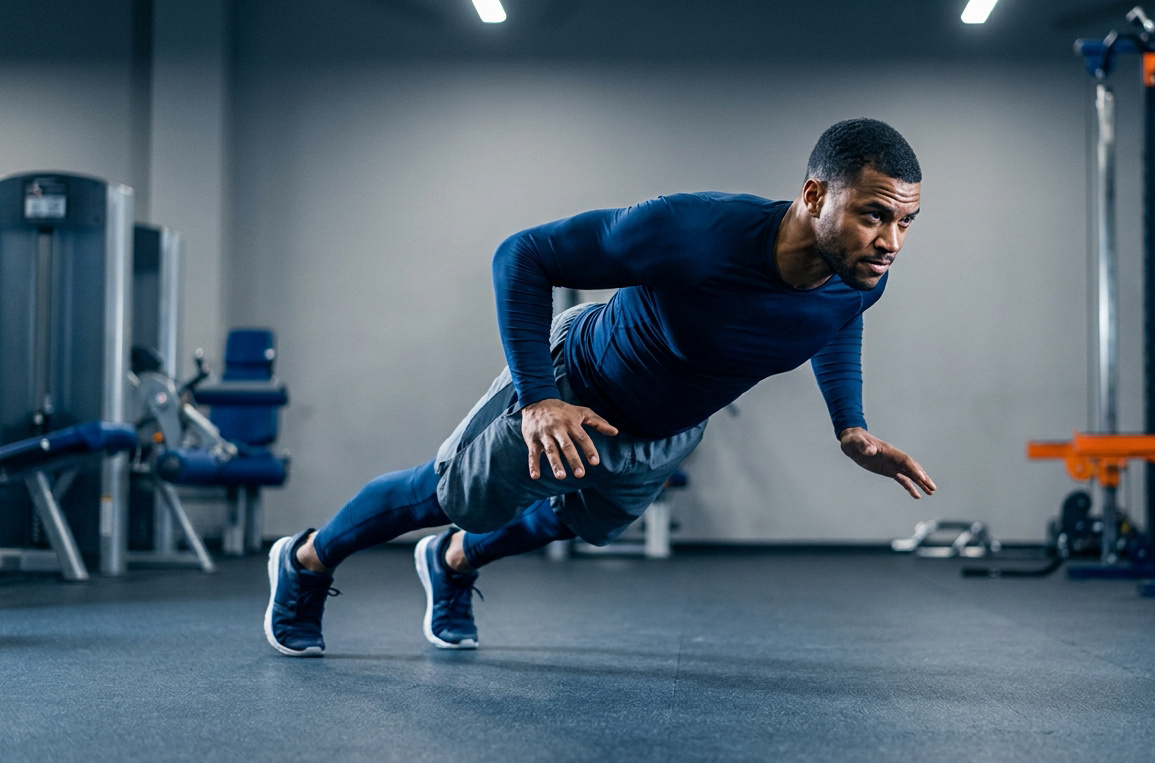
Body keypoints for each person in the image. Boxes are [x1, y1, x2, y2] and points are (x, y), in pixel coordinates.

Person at [264, 117, 937, 657]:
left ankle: (455, 562)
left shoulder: (857, 274)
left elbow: (838, 320)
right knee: (447, 495)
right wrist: (539, 399)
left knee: (578, 518)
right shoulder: (694, 233)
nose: (891, 242)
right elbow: (523, 255)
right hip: (575, 384)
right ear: (815, 195)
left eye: (905, 222)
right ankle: (306, 561)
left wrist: (848, 424)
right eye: (875, 215)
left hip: (667, 428)